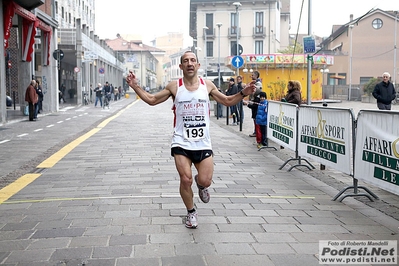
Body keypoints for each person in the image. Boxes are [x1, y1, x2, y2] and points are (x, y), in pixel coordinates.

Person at [126, 51, 256, 229]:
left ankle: (201, 186)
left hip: (203, 142)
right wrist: (135, 86)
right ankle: (191, 212)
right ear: (181, 66)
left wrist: (244, 93)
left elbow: (227, 101)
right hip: (181, 141)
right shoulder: (174, 86)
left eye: (193, 60)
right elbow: (152, 100)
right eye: (186, 61)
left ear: (198, 65)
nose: (189, 63)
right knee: (185, 179)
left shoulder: (207, 85)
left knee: (205, 180)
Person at [246, 71, 262, 137]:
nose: (251, 76)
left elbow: (257, 91)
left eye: (252, 75)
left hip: (256, 101)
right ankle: (256, 131)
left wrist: (252, 87)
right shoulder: (255, 83)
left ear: (256, 76)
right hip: (254, 101)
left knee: (256, 117)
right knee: (254, 117)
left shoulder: (258, 83)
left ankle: (257, 132)